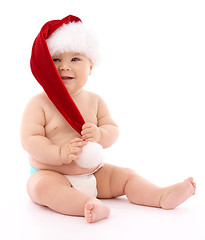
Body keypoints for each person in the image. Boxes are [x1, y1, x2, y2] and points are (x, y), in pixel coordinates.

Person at [21, 15, 196, 223]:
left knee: (126, 176)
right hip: (51, 172)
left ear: (91, 67)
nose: (64, 66)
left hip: (94, 172)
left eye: (75, 59)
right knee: (40, 188)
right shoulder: (39, 103)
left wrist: (99, 134)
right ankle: (86, 205)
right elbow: (30, 139)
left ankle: (159, 195)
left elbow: (112, 129)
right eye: (56, 59)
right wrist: (59, 152)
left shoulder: (95, 101)